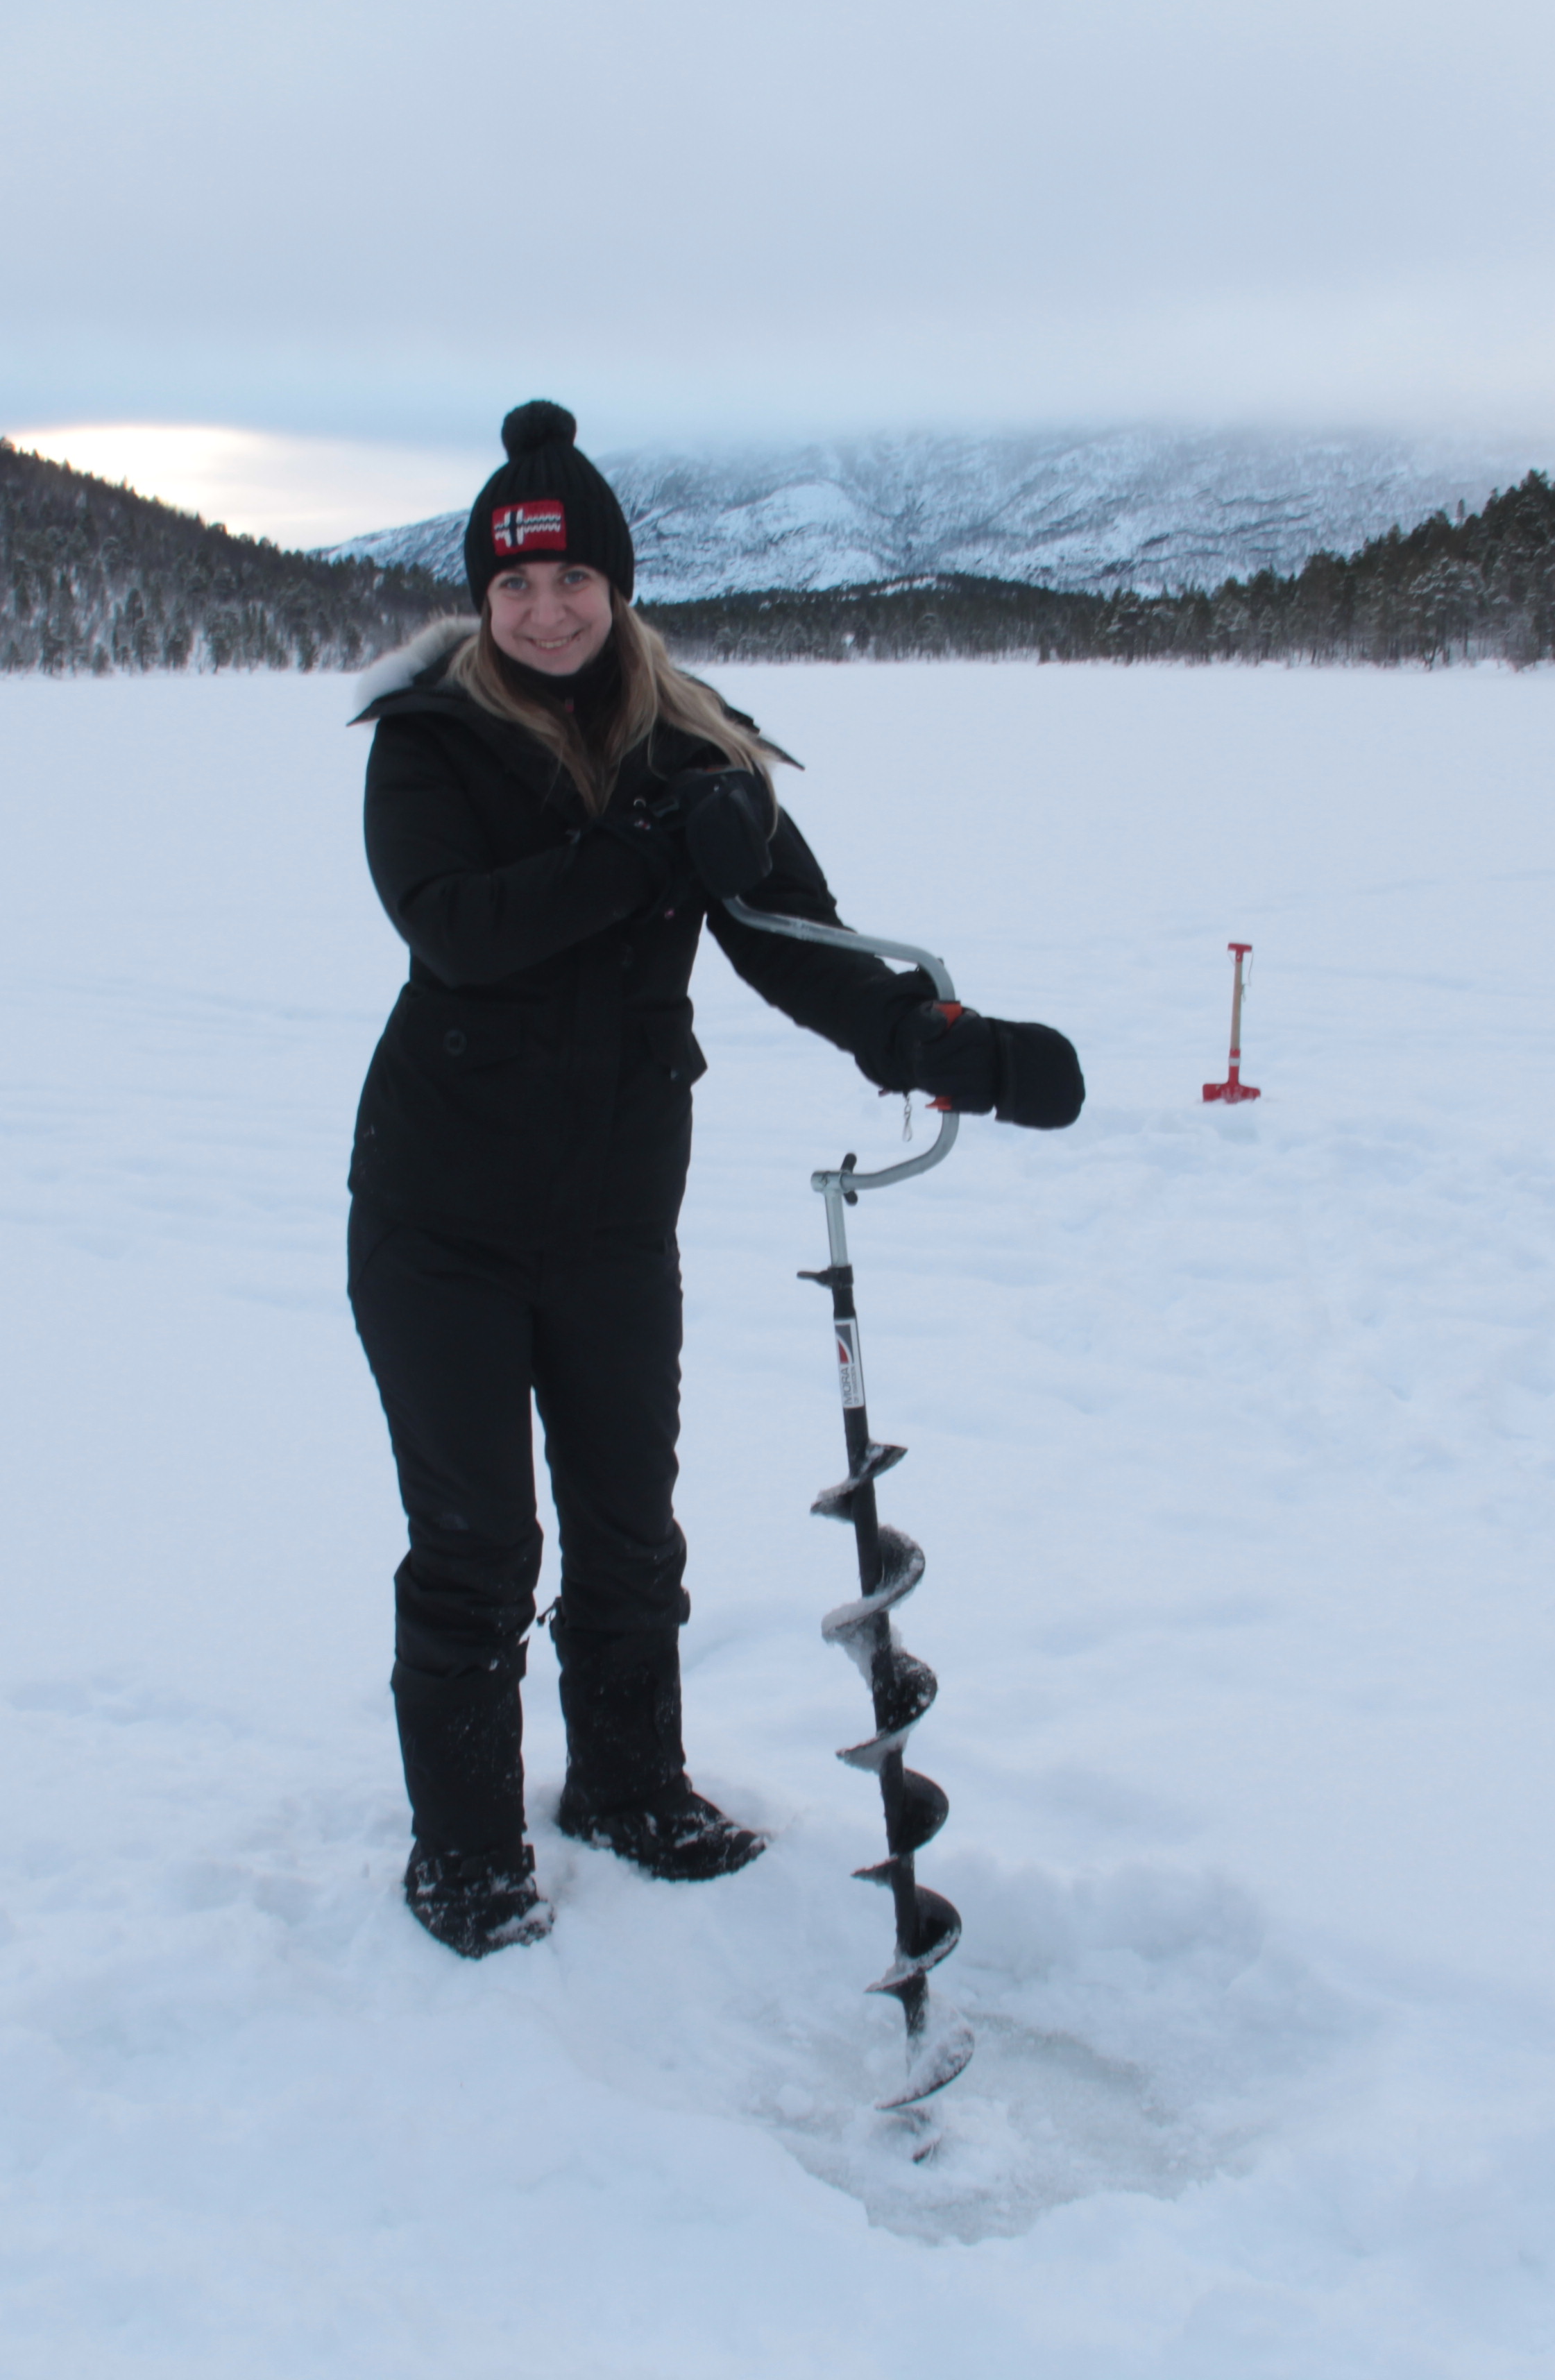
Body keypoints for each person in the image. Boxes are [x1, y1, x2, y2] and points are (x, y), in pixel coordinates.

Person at [346, 402, 1083, 1958]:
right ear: (482, 601)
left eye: (572, 581)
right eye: (513, 587)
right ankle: (466, 1851)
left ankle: (628, 1785)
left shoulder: (698, 751)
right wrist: (653, 855)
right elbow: (459, 931)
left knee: (629, 1530)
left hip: (613, 1215)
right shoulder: (428, 747)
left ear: (617, 586)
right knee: (479, 1544)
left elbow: (803, 949)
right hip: (441, 1221)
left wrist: (947, 1046)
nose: (545, 611)